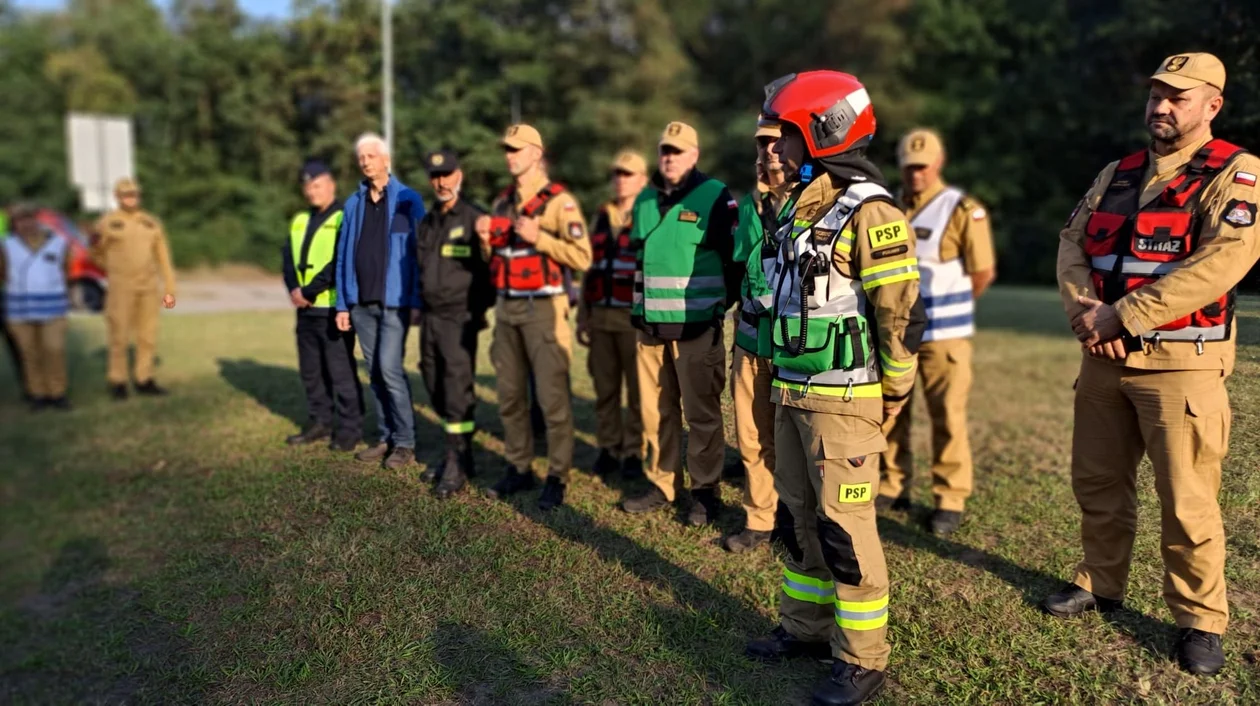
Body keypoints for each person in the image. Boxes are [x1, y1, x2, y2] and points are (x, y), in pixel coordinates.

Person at [1047, 52, 1260, 677]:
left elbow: (1223, 261)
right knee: (1097, 484)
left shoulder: (1237, 173)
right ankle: (1100, 582)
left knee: (1188, 501)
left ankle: (1199, 620)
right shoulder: (1117, 171)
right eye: (1156, 95)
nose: (1161, 107)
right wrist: (1087, 314)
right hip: (1102, 360)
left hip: (1181, 366)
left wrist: (1125, 316)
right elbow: (1071, 244)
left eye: (1179, 97)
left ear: (1212, 105)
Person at [742, 71, 926, 706]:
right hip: (792, 390)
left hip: (844, 401)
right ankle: (806, 629)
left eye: (786, 136)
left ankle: (863, 659)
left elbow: (898, 312)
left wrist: (894, 391)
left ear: (824, 131)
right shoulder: (803, 202)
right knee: (798, 519)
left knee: (845, 528)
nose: (774, 149)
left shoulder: (871, 211)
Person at [619, 122, 741, 526]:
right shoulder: (645, 200)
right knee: (656, 411)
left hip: (696, 327)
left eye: (677, 150)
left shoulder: (716, 196)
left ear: (694, 155)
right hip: (648, 328)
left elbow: (735, 260)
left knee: (702, 413)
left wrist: (718, 308)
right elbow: (638, 259)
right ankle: (662, 482)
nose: (669, 157)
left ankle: (704, 492)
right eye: (664, 150)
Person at [876, 128, 996, 537]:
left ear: (938, 164)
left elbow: (982, 272)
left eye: (922, 167)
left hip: (944, 337)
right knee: (892, 414)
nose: (915, 175)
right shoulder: (888, 205)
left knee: (947, 417)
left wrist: (946, 312)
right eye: (909, 167)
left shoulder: (961, 209)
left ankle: (949, 498)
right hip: (896, 337)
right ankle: (893, 485)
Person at [474, 123, 592, 511]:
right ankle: (518, 466)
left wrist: (539, 236)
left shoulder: (560, 203)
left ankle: (557, 476)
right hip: (507, 311)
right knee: (509, 396)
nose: (510, 155)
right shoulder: (502, 202)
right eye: (506, 149)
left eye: (517, 149)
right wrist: (483, 240)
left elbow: (582, 257)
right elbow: (497, 260)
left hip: (544, 311)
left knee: (552, 399)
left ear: (536, 154)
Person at [333, 133, 425, 471]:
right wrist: (343, 304)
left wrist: (416, 300)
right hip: (361, 304)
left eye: (372, 155)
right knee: (374, 372)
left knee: (389, 369)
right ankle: (386, 437)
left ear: (386, 159)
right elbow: (343, 255)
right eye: (361, 157)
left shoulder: (408, 200)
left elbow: (417, 254)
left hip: (395, 303)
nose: (366, 161)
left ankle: (405, 442)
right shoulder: (353, 203)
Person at [724, 116, 792, 553]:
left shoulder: (813, 202)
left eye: (776, 143)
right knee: (751, 437)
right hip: (750, 342)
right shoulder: (748, 205)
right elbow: (740, 270)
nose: (768, 151)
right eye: (763, 144)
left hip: (796, 348)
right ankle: (759, 519)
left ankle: (797, 520)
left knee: (797, 443)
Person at [416, 149, 493, 498]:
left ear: (459, 175)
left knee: (457, 386)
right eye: (435, 176)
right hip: (430, 318)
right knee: (433, 381)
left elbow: (491, 273)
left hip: (459, 317)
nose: (441, 181)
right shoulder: (429, 220)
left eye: (447, 173)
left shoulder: (475, 218)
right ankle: (459, 453)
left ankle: (456, 460)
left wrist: (478, 310)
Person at [281, 159, 364, 452]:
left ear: (331, 184)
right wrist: (294, 288)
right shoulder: (300, 220)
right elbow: (288, 259)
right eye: (307, 187)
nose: (311, 192)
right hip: (304, 310)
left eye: (317, 185)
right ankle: (320, 422)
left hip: (331, 308)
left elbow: (341, 262)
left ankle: (349, 430)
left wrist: (309, 290)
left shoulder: (345, 216)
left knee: (340, 373)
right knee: (311, 372)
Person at [576, 150, 649, 480]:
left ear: (642, 180)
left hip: (633, 319)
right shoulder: (601, 216)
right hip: (601, 316)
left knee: (637, 392)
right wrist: (582, 315)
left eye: (628, 174)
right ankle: (608, 448)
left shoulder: (649, 216)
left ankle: (634, 451)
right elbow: (590, 268)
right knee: (605, 389)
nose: (620, 179)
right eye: (617, 173)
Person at [91, 177, 177, 398]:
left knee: (148, 334)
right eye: (126, 195)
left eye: (134, 194)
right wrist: (113, 269)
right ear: (117, 198)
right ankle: (118, 381)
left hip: (148, 286)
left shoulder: (150, 222)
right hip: (121, 287)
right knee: (119, 335)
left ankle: (144, 378)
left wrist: (169, 291)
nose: (131, 199)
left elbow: (163, 259)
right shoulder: (107, 223)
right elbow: (95, 253)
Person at [1, 204, 72, 411]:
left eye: (29, 218)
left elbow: (65, 270)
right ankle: (38, 394)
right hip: (19, 309)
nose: (25, 224)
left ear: (37, 219)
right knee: (29, 353)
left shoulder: (59, 242)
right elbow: (2, 272)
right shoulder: (6, 244)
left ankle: (57, 393)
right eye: (19, 220)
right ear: (14, 223)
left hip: (53, 306)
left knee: (54, 350)